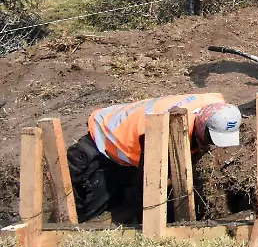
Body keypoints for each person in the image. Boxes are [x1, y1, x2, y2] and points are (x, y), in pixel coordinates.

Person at [66, 94, 242, 222]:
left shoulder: (218, 106)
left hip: (130, 147)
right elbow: (146, 187)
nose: (212, 145)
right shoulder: (166, 131)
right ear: (202, 125)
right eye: (210, 139)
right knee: (87, 217)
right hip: (102, 144)